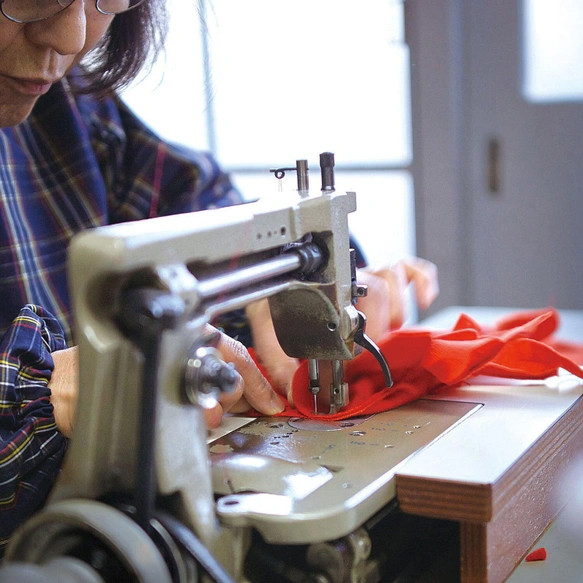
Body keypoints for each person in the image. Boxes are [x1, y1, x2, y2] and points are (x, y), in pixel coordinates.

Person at [0, 0, 438, 557]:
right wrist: (39, 394)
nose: (72, 34)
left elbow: (195, 206)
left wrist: (280, 286)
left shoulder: (67, 112)